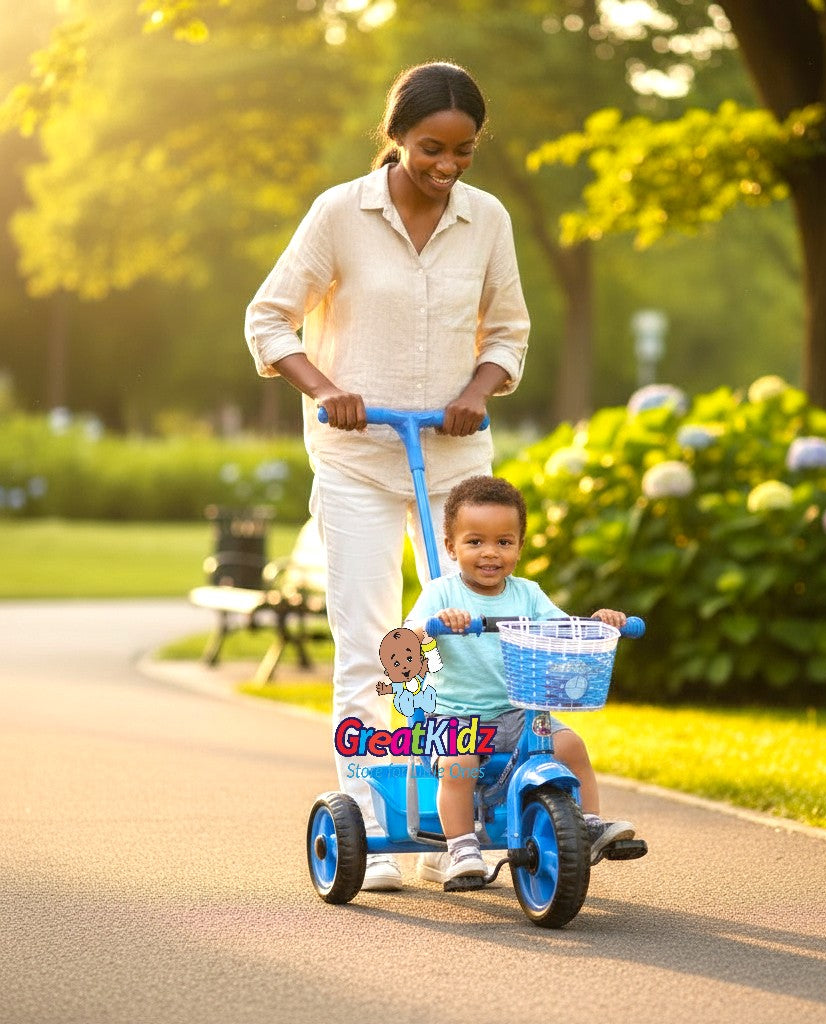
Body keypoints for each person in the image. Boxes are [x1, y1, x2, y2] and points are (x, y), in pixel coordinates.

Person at [244, 62, 530, 892]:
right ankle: (368, 813)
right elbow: (269, 317)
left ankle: (455, 818)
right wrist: (326, 388)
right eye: (430, 149)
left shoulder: (488, 220)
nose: (446, 166)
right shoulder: (341, 213)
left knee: (462, 637)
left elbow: (507, 329)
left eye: (464, 151)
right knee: (372, 638)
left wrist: (478, 391)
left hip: (453, 459)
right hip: (358, 458)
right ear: (395, 138)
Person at [404, 475, 637, 885]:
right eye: (475, 542)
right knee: (460, 763)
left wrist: (601, 622)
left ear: (519, 547)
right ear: (451, 548)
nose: (490, 553)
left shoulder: (527, 594)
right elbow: (406, 636)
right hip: (451, 717)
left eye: (504, 542)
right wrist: (435, 624)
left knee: (570, 745)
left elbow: (565, 630)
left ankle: (590, 825)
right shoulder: (441, 593)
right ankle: (460, 849)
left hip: (515, 714)